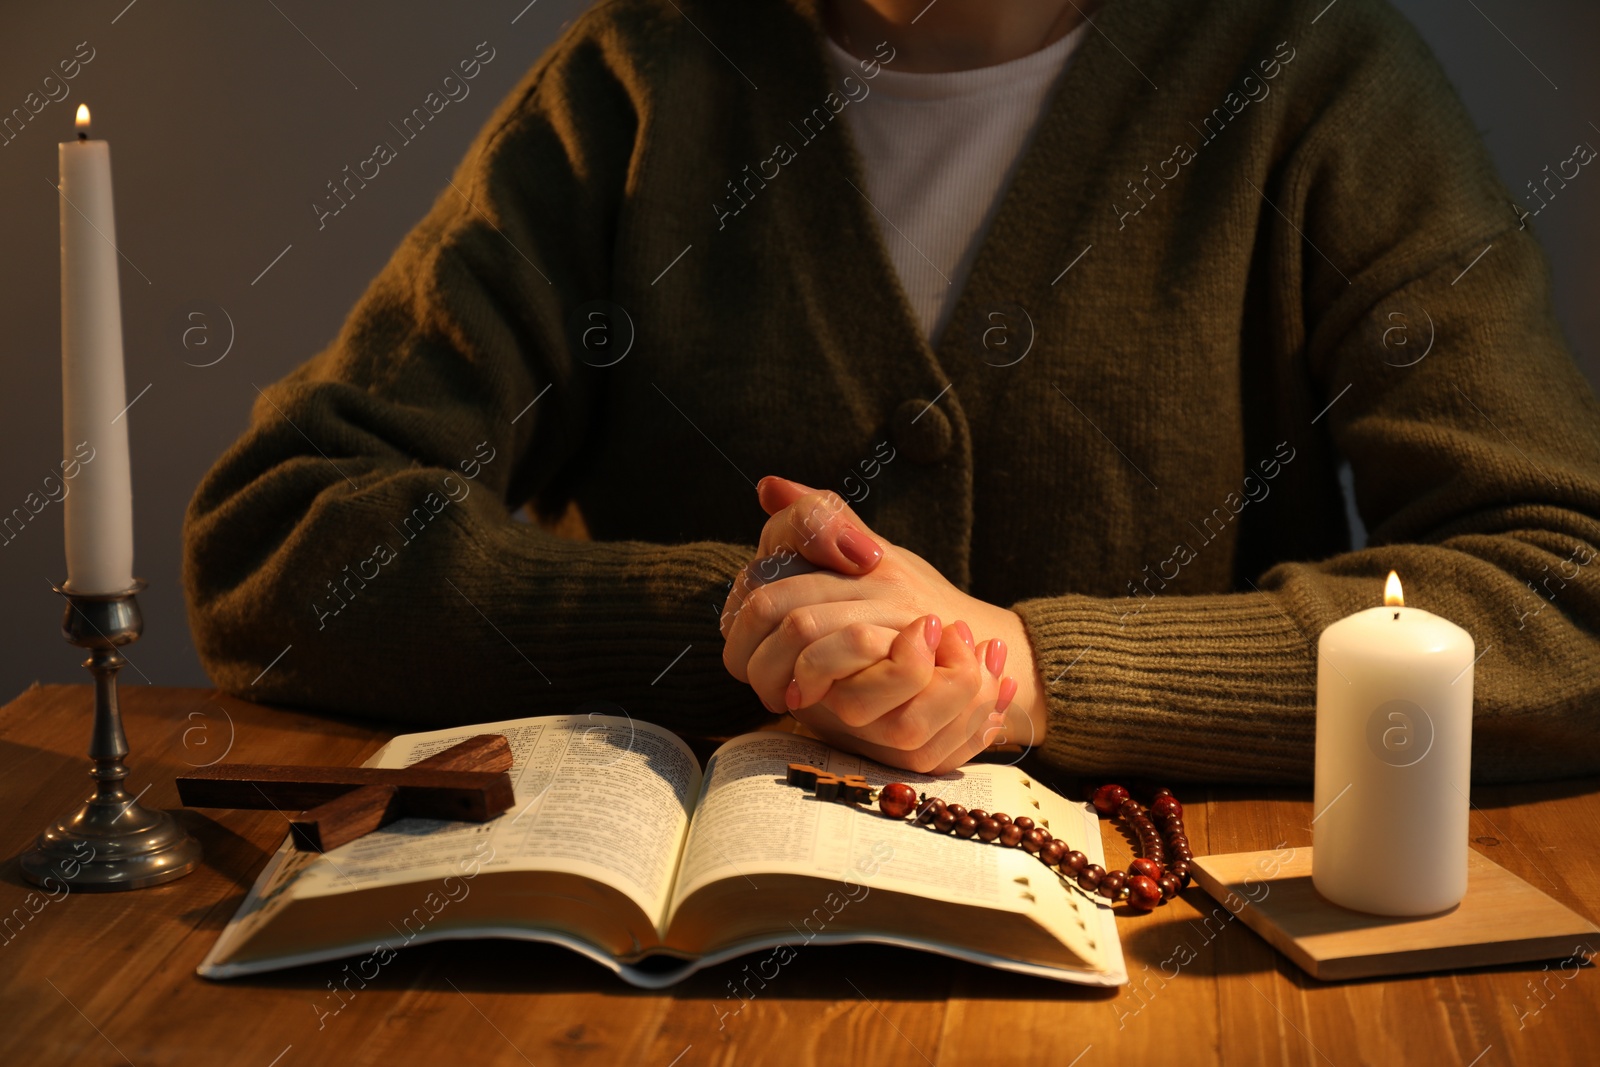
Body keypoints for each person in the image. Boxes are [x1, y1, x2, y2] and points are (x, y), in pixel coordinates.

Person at [183, 0, 1600, 784]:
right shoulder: (643, 74)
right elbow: (279, 538)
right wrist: (751, 626)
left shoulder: (1311, 71)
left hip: (1171, 964)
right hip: (679, 989)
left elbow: (1567, 594)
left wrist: (1028, 672)